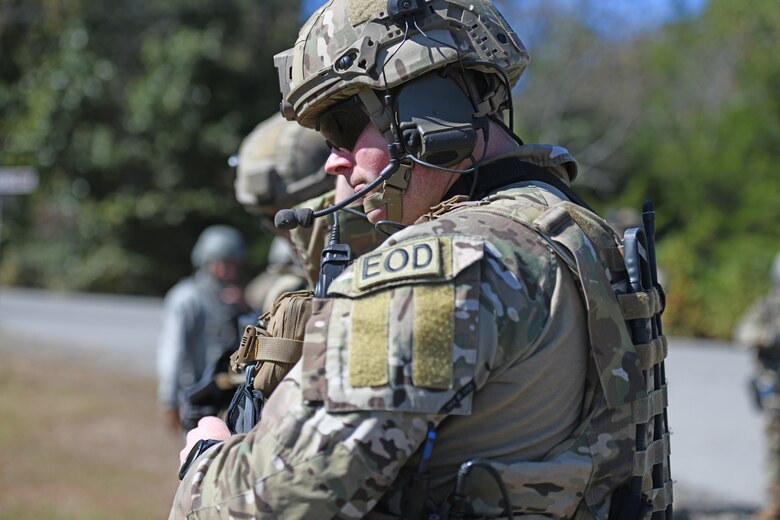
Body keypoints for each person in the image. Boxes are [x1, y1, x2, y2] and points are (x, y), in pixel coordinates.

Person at [170, 1, 671, 518]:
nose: (332, 160)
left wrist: (207, 459)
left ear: (430, 105)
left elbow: (277, 499)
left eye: (343, 124)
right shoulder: (571, 229)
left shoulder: (443, 264)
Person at [156, 225, 247, 433]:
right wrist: (168, 400)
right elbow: (172, 351)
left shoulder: (234, 299)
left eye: (232, 263)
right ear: (205, 261)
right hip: (196, 396)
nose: (227, 271)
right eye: (221, 263)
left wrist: (246, 309)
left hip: (227, 397)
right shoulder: (186, 299)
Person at [734, 251, 780, 520]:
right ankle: (775, 501)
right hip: (774, 391)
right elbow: (743, 332)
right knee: (775, 445)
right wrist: (767, 336)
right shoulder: (767, 307)